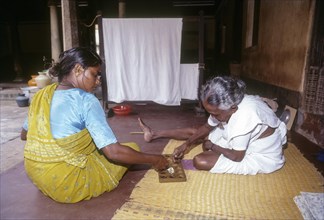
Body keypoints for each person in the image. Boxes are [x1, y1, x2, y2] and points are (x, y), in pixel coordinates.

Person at [21, 47, 169, 203]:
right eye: (94, 74)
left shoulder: (41, 95)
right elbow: (113, 152)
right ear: (78, 69)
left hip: (35, 172)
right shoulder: (86, 100)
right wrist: (155, 159)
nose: (98, 81)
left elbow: (24, 135)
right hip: (65, 182)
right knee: (132, 148)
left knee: (94, 146)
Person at [138, 76, 287, 175]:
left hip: (260, 156)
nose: (213, 117)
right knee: (200, 133)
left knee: (200, 160)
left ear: (233, 108)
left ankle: (208, 145)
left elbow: (236, 157)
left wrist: (212, 146)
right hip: (242, 141)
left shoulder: (244, 116)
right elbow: (206, 127)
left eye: (215, 114)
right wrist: (186, 145)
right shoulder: (231, 103)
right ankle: (154, 134)